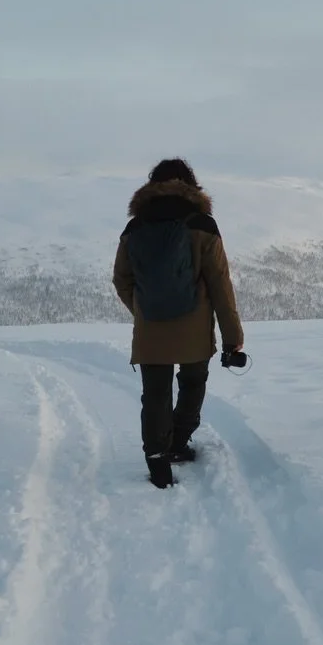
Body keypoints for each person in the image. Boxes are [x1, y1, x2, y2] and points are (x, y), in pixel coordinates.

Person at [113, 158, 245, 488]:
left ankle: (157, 460)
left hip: (151, 329)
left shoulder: (135, 228)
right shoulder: (202, 225)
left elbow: (121, 279)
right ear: (191, 185)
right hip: (194, 327)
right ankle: (178, 442)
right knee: (192, 382)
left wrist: (142, 311)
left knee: (155, 393)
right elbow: (220, 284)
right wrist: (233, 336)